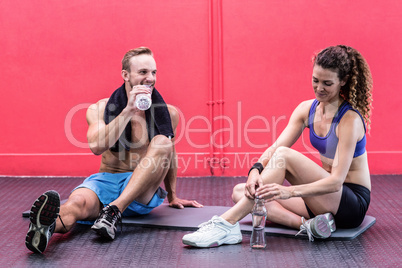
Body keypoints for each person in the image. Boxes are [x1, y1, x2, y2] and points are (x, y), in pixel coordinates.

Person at [182, 45, 373, 247]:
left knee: (285, 156)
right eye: (315, 80)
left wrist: (288, 191)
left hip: (349, 203)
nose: (319, 88)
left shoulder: (349, 120)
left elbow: (336, 182)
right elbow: (274, 147)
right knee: (241, 193)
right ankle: (308, 225)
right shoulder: (306, 110)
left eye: (327, 83)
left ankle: (226, 223)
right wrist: (255, 170)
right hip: (320, 200)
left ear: (342, 81)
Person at [25, 47, 203, 254]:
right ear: (125, 75)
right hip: (106, 181)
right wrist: (128, 111)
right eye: (143, 72)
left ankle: (114, 210)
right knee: (77, 203)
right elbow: (96, 147)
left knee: (164, 142)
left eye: (153, 72)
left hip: (141, 189)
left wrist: (172, 195)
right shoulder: (99, 109)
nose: (150, 78)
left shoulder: (169, 113)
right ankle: (44, 230)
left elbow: (168, 155)